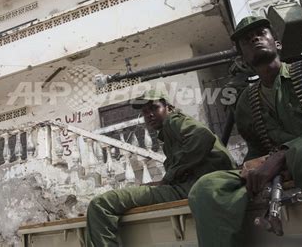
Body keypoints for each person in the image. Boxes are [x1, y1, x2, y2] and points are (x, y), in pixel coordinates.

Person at [188, 16, 302, 247]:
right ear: (243, 57)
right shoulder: (247, 101)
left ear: (277, 43)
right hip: (276, 166)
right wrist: (252, 167)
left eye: (261, 33)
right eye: (247, 40)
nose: (255, 38)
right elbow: (257, 149)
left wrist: (284, 155)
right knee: (207, 187)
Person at [85, 89, 235, 246]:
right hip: (191, 187)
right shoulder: (169, 131)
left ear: (168, 107)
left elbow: (203, 136)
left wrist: (168, 178)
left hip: (195, 187)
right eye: (145, 112)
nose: (149, 115)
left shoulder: (174, 121)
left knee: (101, 204)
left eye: (154, 108)